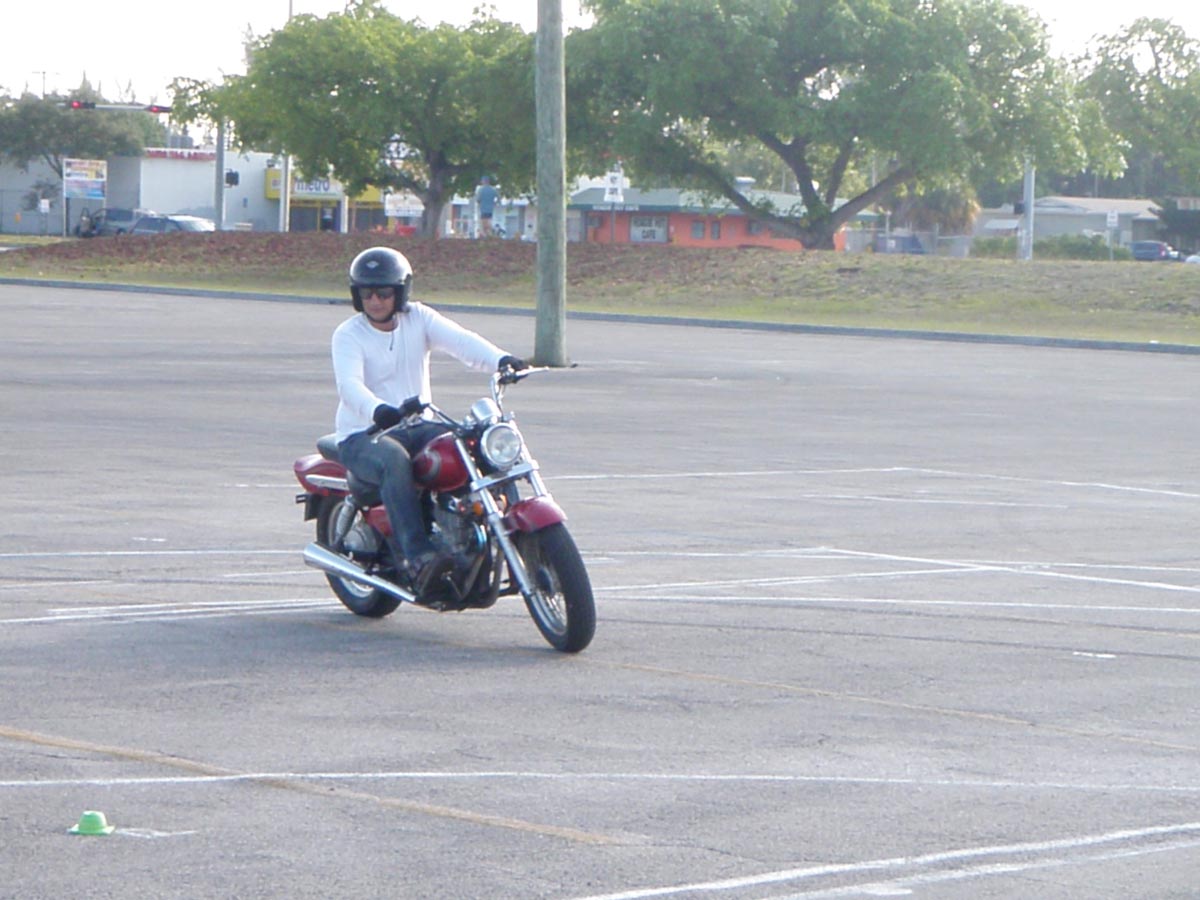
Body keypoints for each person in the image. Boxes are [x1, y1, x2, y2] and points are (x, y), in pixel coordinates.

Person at [331, 246, 526, 601]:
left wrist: (501, 360)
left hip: (417, 426)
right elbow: (350, 385)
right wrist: (378, 410)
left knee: (469, 442)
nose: (375, 300)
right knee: (394, 460)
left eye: (384, 292)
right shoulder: (348, 334)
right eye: (367, 293)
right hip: (364, 434)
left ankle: (468, 527)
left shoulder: (418, 318)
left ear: (400, 291)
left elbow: (461, 341)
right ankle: (417, 556)